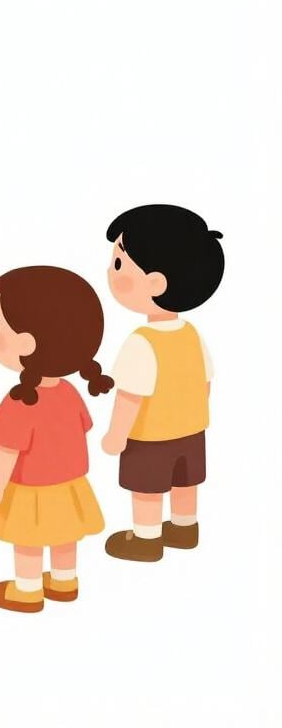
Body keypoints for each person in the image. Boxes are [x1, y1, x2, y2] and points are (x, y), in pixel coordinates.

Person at [0, 266, 111, 614]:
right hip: (69, 486)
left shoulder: (20, 400)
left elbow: (5, 449)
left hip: (30, 489)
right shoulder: (68, 392)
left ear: (26, 343)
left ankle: (27, 590)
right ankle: (65, 581)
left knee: (29, 541)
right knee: (65, 535)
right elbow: (83, 428)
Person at [101, 204, 224, 561]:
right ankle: (185, 528)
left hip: (150, 434)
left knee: (147, 488)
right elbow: (205, 382)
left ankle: (146, 537)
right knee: (186, 482)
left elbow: (130, 396)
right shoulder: (191, 334)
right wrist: (195, 414)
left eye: (119, 264)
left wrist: (116, 435)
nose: (110, 272)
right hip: (191, 430)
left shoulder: (142, 341)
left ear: (155, 283)